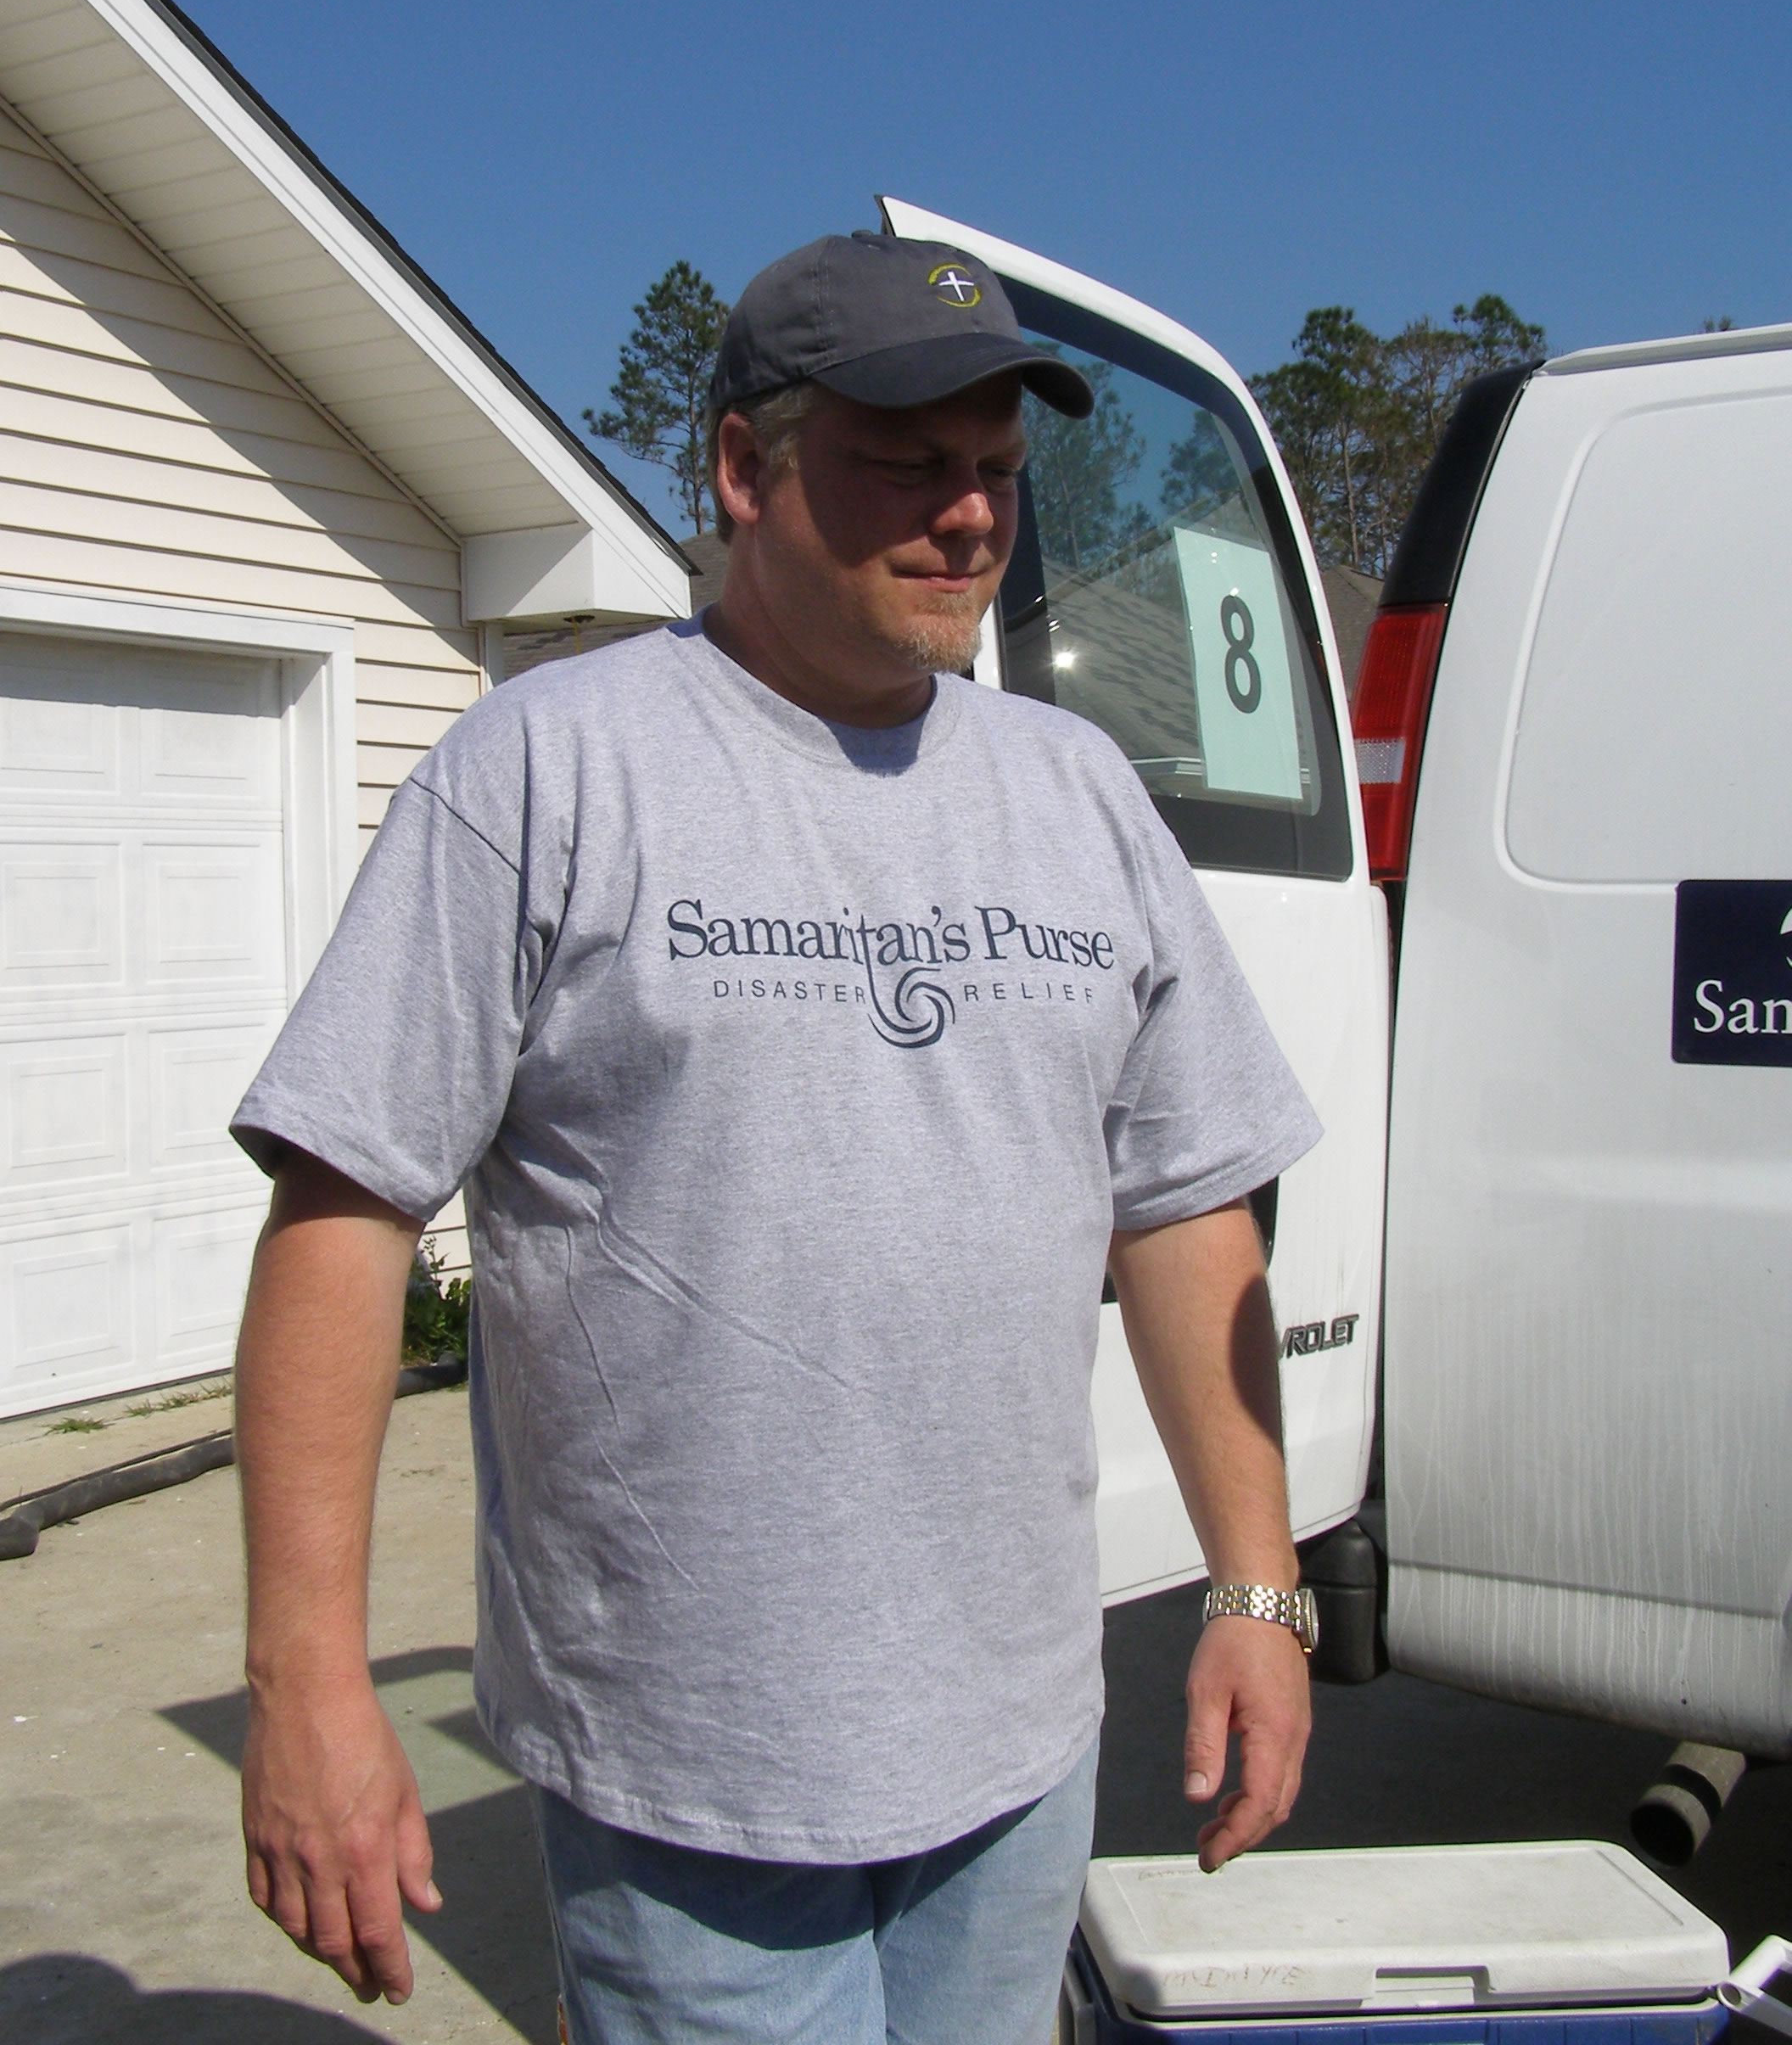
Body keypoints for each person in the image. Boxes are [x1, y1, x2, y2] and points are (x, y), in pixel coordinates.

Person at [230, 231, 1321, 2044]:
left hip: (1022, 1743)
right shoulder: (542, 772)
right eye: (909, 461)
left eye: (998, 469)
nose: (970, 516)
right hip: (690, 1773)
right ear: (746, 468)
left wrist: (1260, 1589)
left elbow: (1187, 1201)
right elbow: (342, 1215)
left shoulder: (1080, 796)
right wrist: (307, 1684)